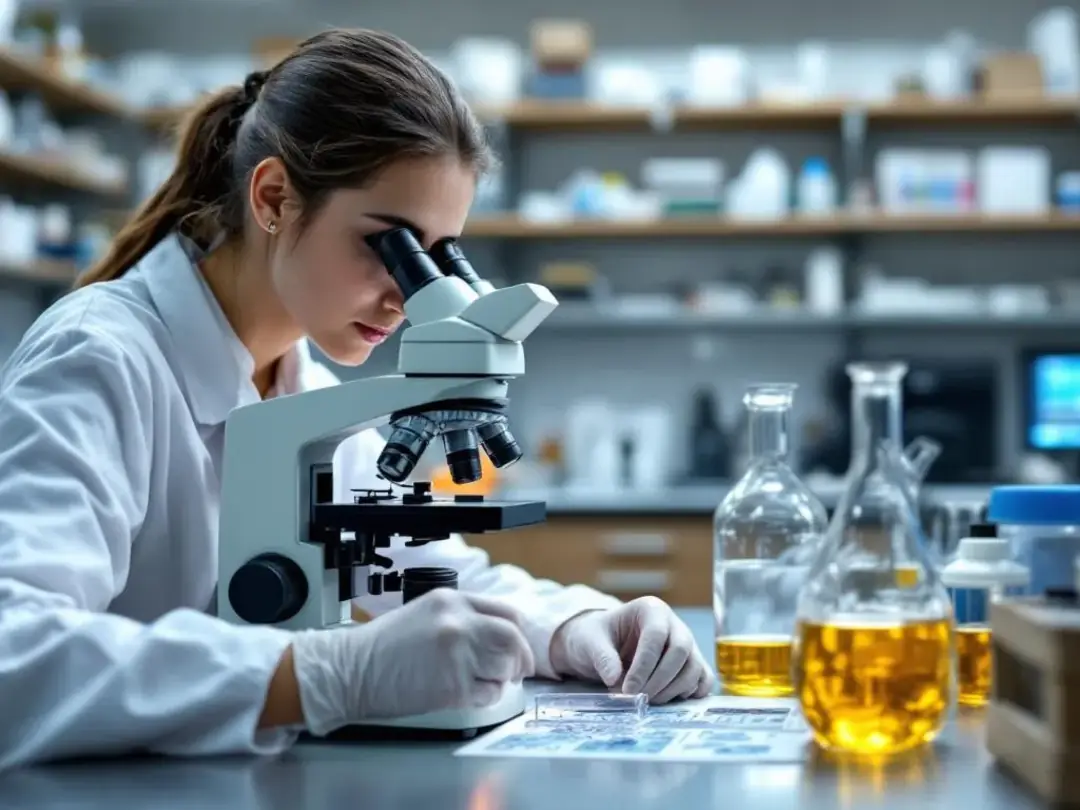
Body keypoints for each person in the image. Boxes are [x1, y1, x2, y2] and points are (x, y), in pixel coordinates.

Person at [0, 28, 713, 770]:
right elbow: (12, 654)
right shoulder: (101, 358)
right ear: (274, 198)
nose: (409, 297)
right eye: (390, 246)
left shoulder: (295, 381)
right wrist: (320, 676)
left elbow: (430, 571)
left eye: (438, 256)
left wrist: (579, 626)